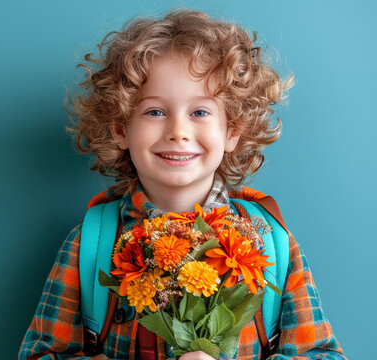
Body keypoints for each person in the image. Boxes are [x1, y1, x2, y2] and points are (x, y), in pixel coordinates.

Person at [18, 8, 346, 360]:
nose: (178, 131)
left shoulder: (270, 241)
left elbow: (322, 354)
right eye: (154, 112)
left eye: (200, 112)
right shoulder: (91, 244)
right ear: (119, 128)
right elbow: (41, 353)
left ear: (232, 130)